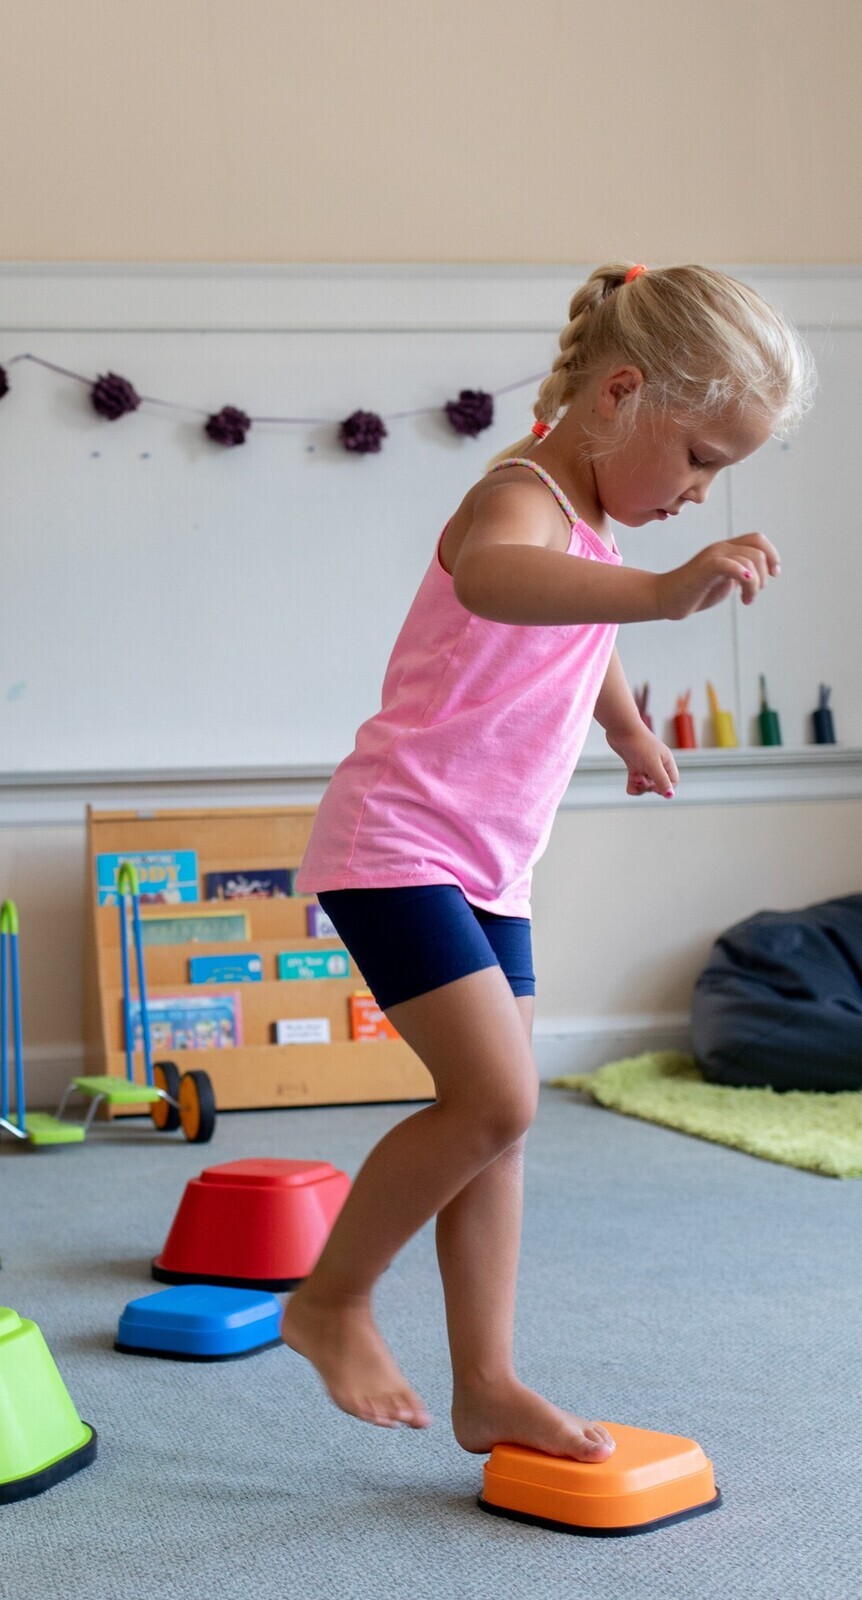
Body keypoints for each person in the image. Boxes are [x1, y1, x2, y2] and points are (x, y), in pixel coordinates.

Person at [285, 262, 816, 1464]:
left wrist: (626, 723)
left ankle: (488, 1383)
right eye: (699, 457)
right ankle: (330, 1299)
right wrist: (667, 593)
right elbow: (501, 579)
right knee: (499, 1096)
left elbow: (575, 621)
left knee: (500, 1131)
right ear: (621, 392)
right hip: (397, 844)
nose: (702, 490)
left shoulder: (592, 523)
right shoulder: (516, 491)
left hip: (487, 867)